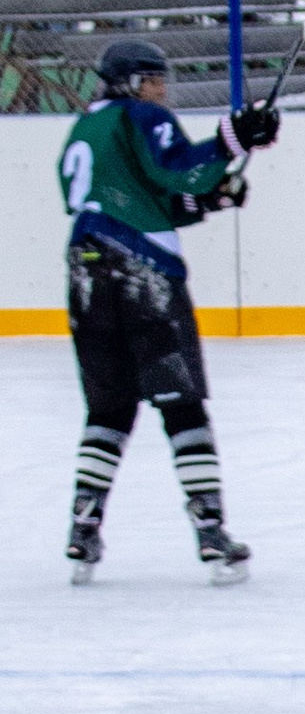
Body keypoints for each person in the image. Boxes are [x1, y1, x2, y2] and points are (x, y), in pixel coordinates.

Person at [57, 36, 281, 585]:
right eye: (153, 79)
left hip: (85, 267)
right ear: (130, 82)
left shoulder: (86, 127)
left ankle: (83, 527)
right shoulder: (141, 116)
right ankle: (210, 532)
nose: (162, 90)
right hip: (144, 271)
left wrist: (210, 198)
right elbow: (178, 169)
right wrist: (233, 138)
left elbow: (134, 193)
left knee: (108, 408)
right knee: (182, 405)